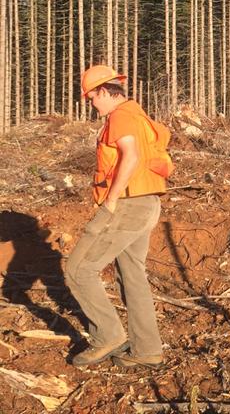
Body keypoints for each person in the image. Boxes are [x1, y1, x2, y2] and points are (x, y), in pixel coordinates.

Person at [66, 65, 168, 369]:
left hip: (125, 205)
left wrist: (110, 200)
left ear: (104, 92)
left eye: (91, 98)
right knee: (133, 277)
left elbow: (131, 155)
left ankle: (107, 337)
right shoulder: (138, 115)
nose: (91, 104)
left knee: (77, 271)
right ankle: (147, 350)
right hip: (146, 203)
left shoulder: (121, 116)